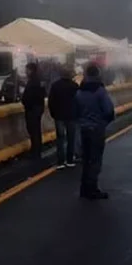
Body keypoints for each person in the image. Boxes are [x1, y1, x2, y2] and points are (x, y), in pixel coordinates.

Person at [74, 64, 115, 199]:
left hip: (84, 129)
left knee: (86, 160)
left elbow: (75, 110)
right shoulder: (100, 91)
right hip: (96, 129)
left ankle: (84, 188)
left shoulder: (79, 91)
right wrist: (103, 123)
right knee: (95, 160)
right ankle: (92, 189)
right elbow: (108, 110)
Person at [48, 67, 79, 170]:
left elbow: (51, 102)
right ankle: (70, 160)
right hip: (72, 116)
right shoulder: (74, 86)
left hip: (59, 116)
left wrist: (54, 114)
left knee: (60, 139)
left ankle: (60, 161)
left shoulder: (55, 86)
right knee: (71, 138)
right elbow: (78, 101)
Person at [21, 62, 46, 159]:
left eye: (26, 70)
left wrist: (25, 101)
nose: (25, 72)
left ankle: (35, 151)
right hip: (38, 107)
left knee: (33, 130)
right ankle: (37, 149)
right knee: (36, 130)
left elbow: (29, 96)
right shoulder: (39, 80)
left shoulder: (33, 81)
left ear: (30, 70)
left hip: (32, 108)